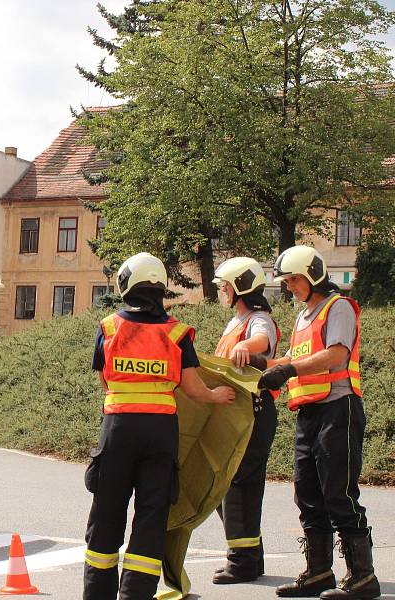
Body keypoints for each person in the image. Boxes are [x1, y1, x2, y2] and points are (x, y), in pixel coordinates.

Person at [84, 252, 236, 600]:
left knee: (107, 510)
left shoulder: (109, 327)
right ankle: (136, 594)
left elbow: (103, 379)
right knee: (151, 515)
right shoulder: (177, 333)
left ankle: (97, 594)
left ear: (126, 285)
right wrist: (217, 396)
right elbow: (192, 387)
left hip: (118, 430)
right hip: (160, 433)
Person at [255, 245, 379, 599]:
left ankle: (362, 576)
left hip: (339, 408)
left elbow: (335, 354)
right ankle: (319, 572)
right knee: (307, 493)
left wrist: (287, 370)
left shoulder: (337, 307)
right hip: (309, 412)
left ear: (311, 275)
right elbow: (296, 358)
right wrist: (262, 363)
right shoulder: (304, 316)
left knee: (338, 492)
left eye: (293, 279)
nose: (289, 286)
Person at [210, 257, 280, 584]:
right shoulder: (235, 321)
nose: (222, 291)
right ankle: (250, 555)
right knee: (230, 484)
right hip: (237, 412)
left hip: (254, 411)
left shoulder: (257, 319)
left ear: (238, 288)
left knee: (237, 483)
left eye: (225, 286)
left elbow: (262, 341)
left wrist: (246, 347)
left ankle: (242, 562)